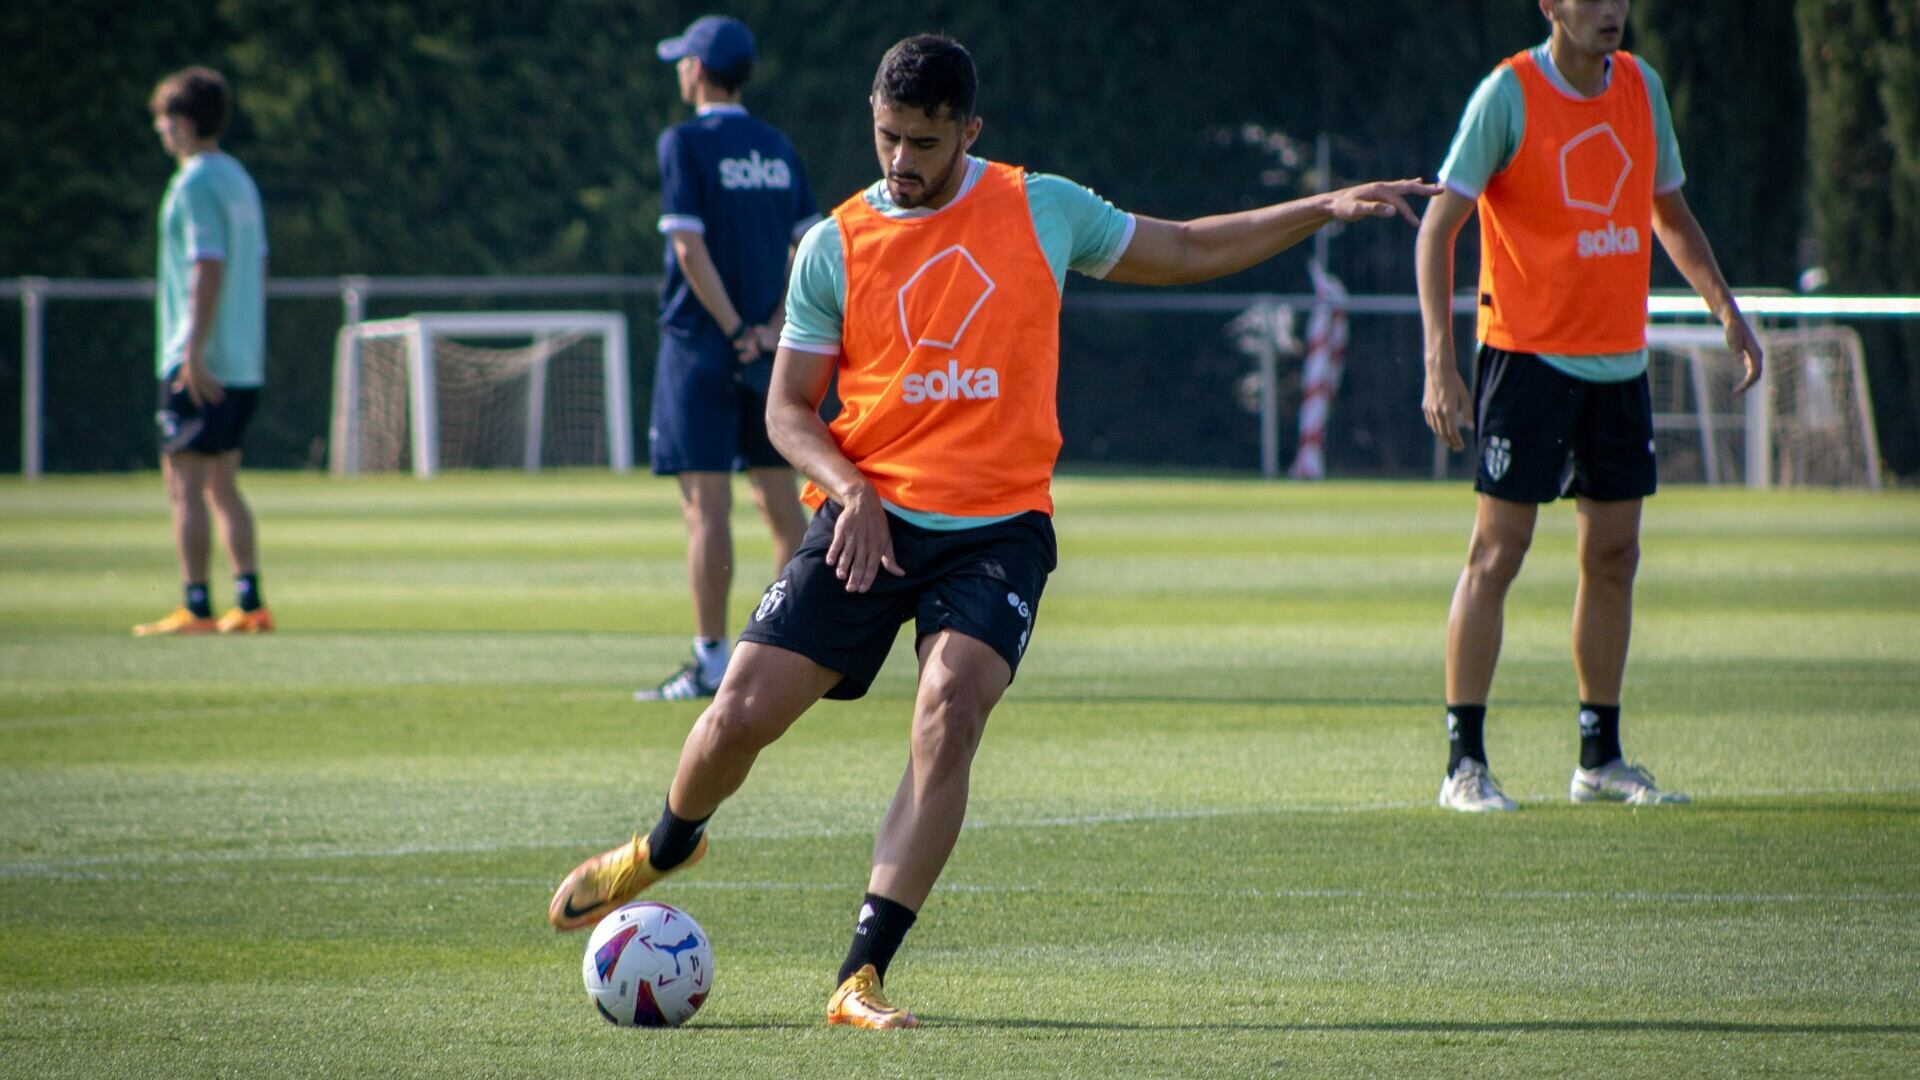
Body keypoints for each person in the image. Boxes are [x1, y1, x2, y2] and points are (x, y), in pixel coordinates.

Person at [550, 34, 1438, 1027]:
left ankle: (860, 974)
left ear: (969, 131)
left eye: (924, 142)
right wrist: (850, 489)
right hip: (866, 517)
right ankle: (667, 846)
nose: (902, 160)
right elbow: (790, 412)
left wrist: (1318, 208)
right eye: (888, 137)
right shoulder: (833, 244)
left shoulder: (1038, 207)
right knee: (739, 712)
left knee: (950, 710)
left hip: (996, 530)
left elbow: (1184, 246)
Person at [1415, 0, 1761, 811]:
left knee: (1615, 557)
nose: (1612, 10)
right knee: (1498, 554)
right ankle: (1463, 763)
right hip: (1525, 359)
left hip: (1618, 364)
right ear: (1551, 6)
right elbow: (1438, 229)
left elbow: (1667, 211)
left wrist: (1724, 308)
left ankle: (1598, 758)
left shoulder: (1641, 88)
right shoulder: (1506, 95)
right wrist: (1440, 361)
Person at [635, 15, 820, 701]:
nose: (679, 70)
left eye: (683, 61)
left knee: (705, 512)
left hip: (699, 348)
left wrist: (736, 326)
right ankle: (787, 651)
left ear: (700, 71)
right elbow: (807, 249)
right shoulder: (776, 146)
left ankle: (711, 661)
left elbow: (688, 247)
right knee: (782, 511)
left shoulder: (682, 143)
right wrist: (772, 327)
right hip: (770, 352)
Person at [134, 67, 274, 637]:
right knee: (222, 483)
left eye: (164, 121)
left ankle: (196, 606)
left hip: (203, 361)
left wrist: (192, 349)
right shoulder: (239, 178)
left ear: (185, 124)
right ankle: (251, 602)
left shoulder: (193, 184)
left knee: (184, 483)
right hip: (241, 358)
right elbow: (258, 264)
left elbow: (206, 265)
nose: (161, 132)